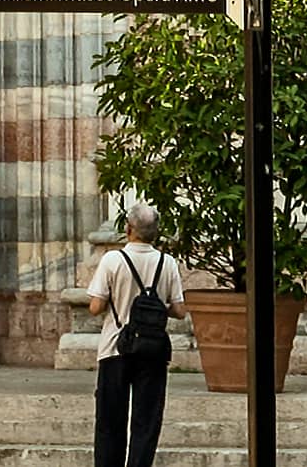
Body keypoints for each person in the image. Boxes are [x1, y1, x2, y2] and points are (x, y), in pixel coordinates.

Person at [80, 196, 188, 467]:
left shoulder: (112, 260)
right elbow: (179, 310)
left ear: (128, 229)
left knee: (110, 420)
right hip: (152, 350)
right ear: (156, 232)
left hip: (115, 347)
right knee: (146, 420)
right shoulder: (168, 262)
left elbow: (96, 306)